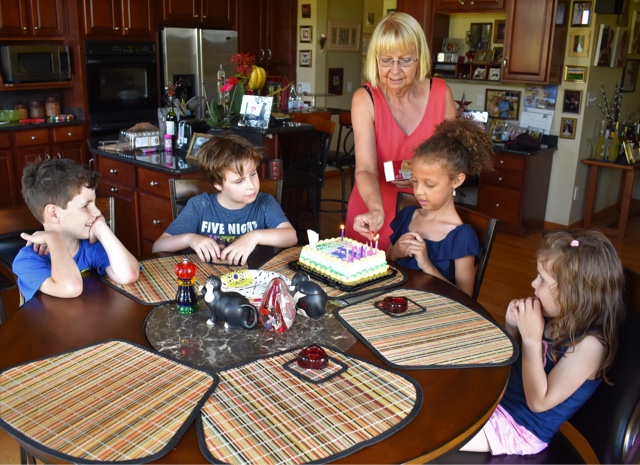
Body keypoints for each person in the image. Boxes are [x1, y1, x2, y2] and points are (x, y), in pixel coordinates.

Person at [461, 229, 625, 455]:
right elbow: (508, 365)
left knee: (439, 436)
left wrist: (531, 340)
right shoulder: (551, 317)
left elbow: (538, 402)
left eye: (543, 280)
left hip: (518, 428)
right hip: (496, 402)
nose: (533, 283)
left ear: (574, 294)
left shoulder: (590, 347)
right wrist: (513, 328)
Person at [347, 12, 457, 251]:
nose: (395, 70)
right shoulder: (365, 98)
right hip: (374, 208)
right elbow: (366, 169)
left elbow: (453, 162)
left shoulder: (440, 93)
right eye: (386, 60)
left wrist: (422, 177)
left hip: (425, 213)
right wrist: (376, 210)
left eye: (405, 60)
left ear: (420, 58)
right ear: (375, 60)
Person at [152, 133, 297, 265]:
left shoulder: (264, 203)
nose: (251, 186)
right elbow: (158, 246)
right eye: (239, 181)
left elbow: (291, 236)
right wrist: (189, 239)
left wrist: (255, 236)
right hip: (206, 278)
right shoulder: (200, 206)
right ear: (218, 184)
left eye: (253, 174)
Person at [387, 118, 494, 297]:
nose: (419, 191)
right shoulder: (407, 216)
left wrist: (426, 265)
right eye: (414, 181)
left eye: (429, 185)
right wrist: (394, 252)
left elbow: (465, 298)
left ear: (456, 181)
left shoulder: (461, 237)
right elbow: (385, 263)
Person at [13, 158, 140, 303]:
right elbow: (71, 287)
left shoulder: (89, 248)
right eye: (85, 206)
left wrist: (101, 228)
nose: (97, 212)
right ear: (54, 214)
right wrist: (54, 239)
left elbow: (128, 275)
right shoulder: (28, 260)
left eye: (95, 204)